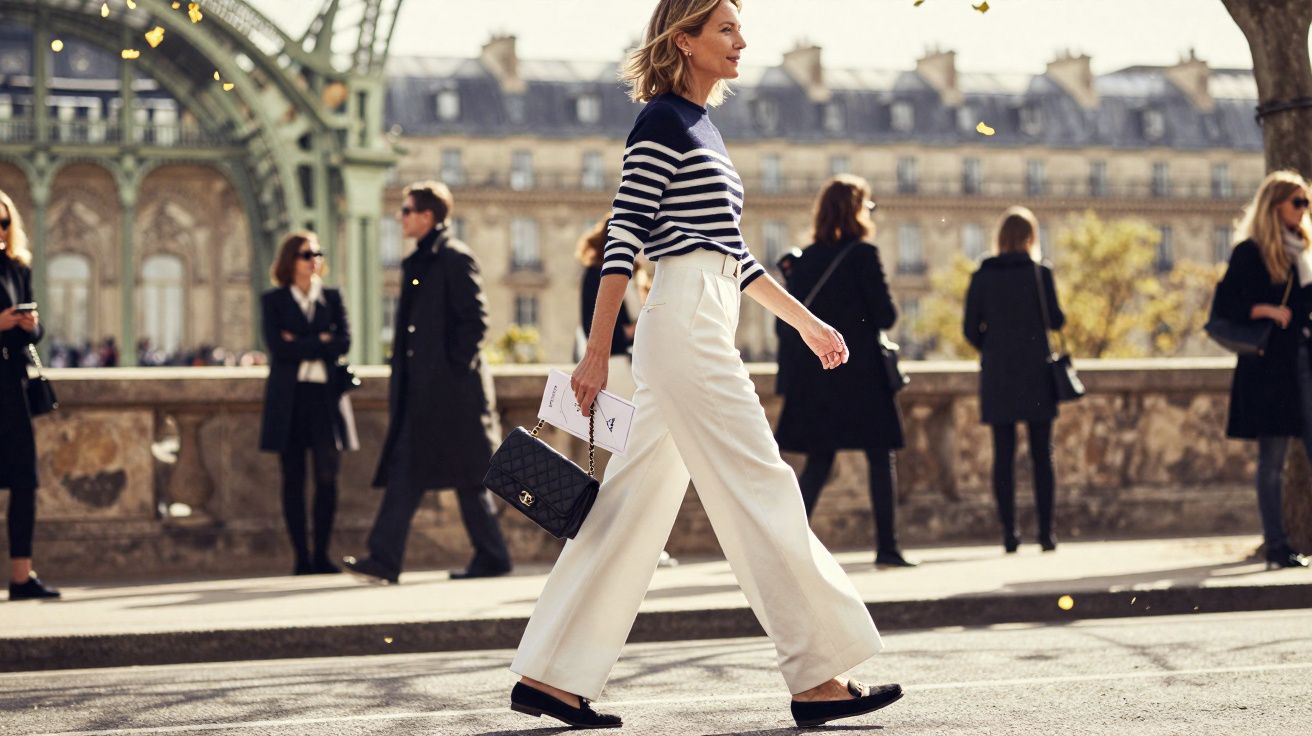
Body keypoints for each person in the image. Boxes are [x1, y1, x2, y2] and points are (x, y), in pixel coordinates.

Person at [507, 1, 900, 730]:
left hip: (705, 312)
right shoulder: (661, 120)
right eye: (725, 29)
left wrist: (809, 322)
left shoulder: (703, 128)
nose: (741, 40)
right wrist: (597, 353)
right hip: (685, 323)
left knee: (627, 509)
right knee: (762, 486)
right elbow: (624, 234)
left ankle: (551, 675)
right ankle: (817, 674)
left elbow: (736, 254)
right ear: (684, 41)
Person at [344, 181, 512, 583]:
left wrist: (448, 372)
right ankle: (481, 556)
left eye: (405, 210)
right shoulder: (422, 260)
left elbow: (475, 323)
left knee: (464, 478)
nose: (399, 218)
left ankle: (486, 556)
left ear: (426, 216)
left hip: (451, 396)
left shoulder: (454, 258)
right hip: (426, 394)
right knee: (417, 473)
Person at [774, 175, 914, 568]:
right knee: (879, 458)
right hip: (863, 373)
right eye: (868, 206)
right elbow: (885, 315)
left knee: (819, 461)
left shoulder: (804, 261)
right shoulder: (863, 256)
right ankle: (888, 548)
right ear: (855, 211)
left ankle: (785, 545)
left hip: (819, 375)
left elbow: (786, 322)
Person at [1213, 170, 1312, 570]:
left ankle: (1281, 544)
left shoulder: (1303, 251)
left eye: (1306, 202)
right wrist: (1265, 309)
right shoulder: (1250, 252)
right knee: (1272, 462)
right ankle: (1277, 545)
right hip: (1269, 369)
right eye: (1298, 202)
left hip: (1303, 361)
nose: (1304, 210)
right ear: (1275, 206)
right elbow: (1225, 310)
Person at [963, 206, 1065, 554]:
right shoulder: (1039, 273)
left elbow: (968, 329)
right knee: (1042, 454)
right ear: (1030, 237)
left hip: (998, 373)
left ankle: (1010, 534)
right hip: (1036, 371)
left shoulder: (983, 274)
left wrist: (993, 347)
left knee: (1003, 456)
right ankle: (1047, 533)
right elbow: (1056, 320)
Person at [258, 232, 357, 575]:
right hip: (290, 401)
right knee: (293, 479)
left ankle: (321, 555)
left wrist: (300, 340)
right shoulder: (273, 301)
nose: (313, 258)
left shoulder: (331, 297)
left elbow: (343, 342)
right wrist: (320, 340)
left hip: (325, 399)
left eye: (318, 252)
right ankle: (301, 557)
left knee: (328, 478)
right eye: (305, 254)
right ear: (290, 261)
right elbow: (278, 347)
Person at [0, 189, 59, 600]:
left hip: (12, 385)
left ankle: (22, 576)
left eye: (4, 222)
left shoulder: (18, 266)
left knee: (24, 481)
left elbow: (36, 332)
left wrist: (29, 325)